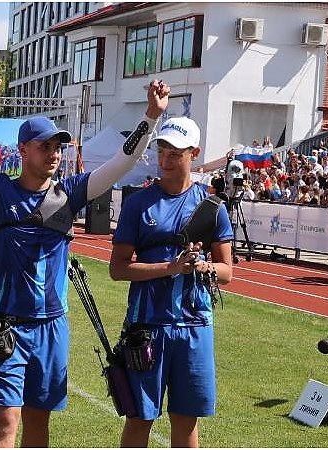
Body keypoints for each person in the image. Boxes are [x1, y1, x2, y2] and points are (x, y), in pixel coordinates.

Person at [0, 74, 167, 447]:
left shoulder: (68, 193)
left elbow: (122, 162)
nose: (54, 153)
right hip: (5, 327)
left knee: (39, 426)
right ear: (23, 150)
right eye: (44, 146)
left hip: (52, 327)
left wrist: (150, 117)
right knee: (5, 424)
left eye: (57, 146)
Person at [109, 113, 234, 448]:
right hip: (146, 326)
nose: (165, 159)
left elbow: (227, 272)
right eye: (162, 150)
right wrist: (171, 267)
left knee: (186, 420)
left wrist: (200, 266)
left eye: (175, 153)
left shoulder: (212, 206)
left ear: (194, 152)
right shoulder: (137, 203)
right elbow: (118, 269)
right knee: (140, 418)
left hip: (194, 326)